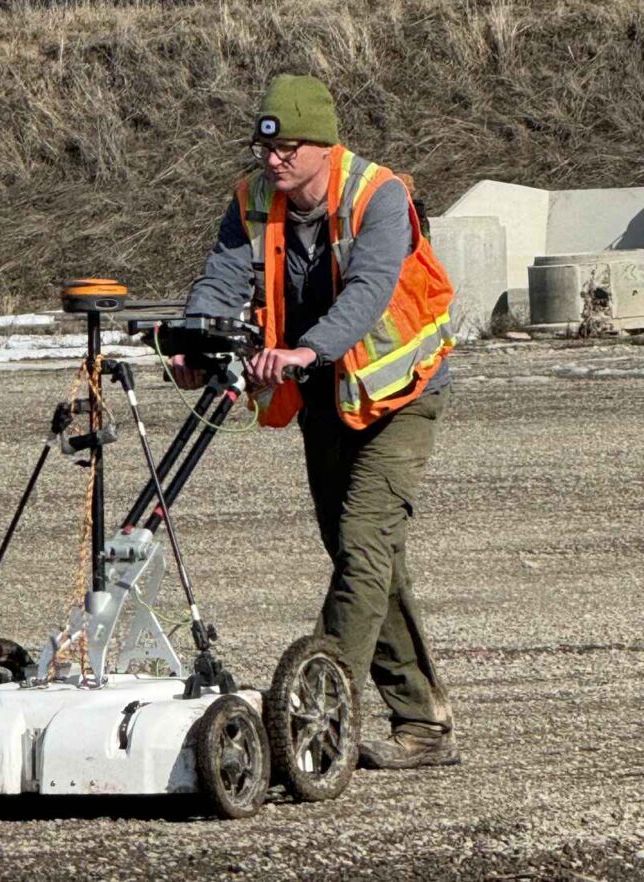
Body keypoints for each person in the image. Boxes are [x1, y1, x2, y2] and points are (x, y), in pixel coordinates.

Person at [172, 74, 459, 769]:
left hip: (400, 392)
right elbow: (223, 275)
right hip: (326, 393)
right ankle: (424, 725)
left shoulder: (378, 194)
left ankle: (315, 717)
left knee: (363, 543)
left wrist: (308, 347)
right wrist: (195, 338)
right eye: (266, 147)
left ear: (323, 146)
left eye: (289, 148)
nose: (273, 161)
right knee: (361, 556)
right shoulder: (254, 199)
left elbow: (370, 289)